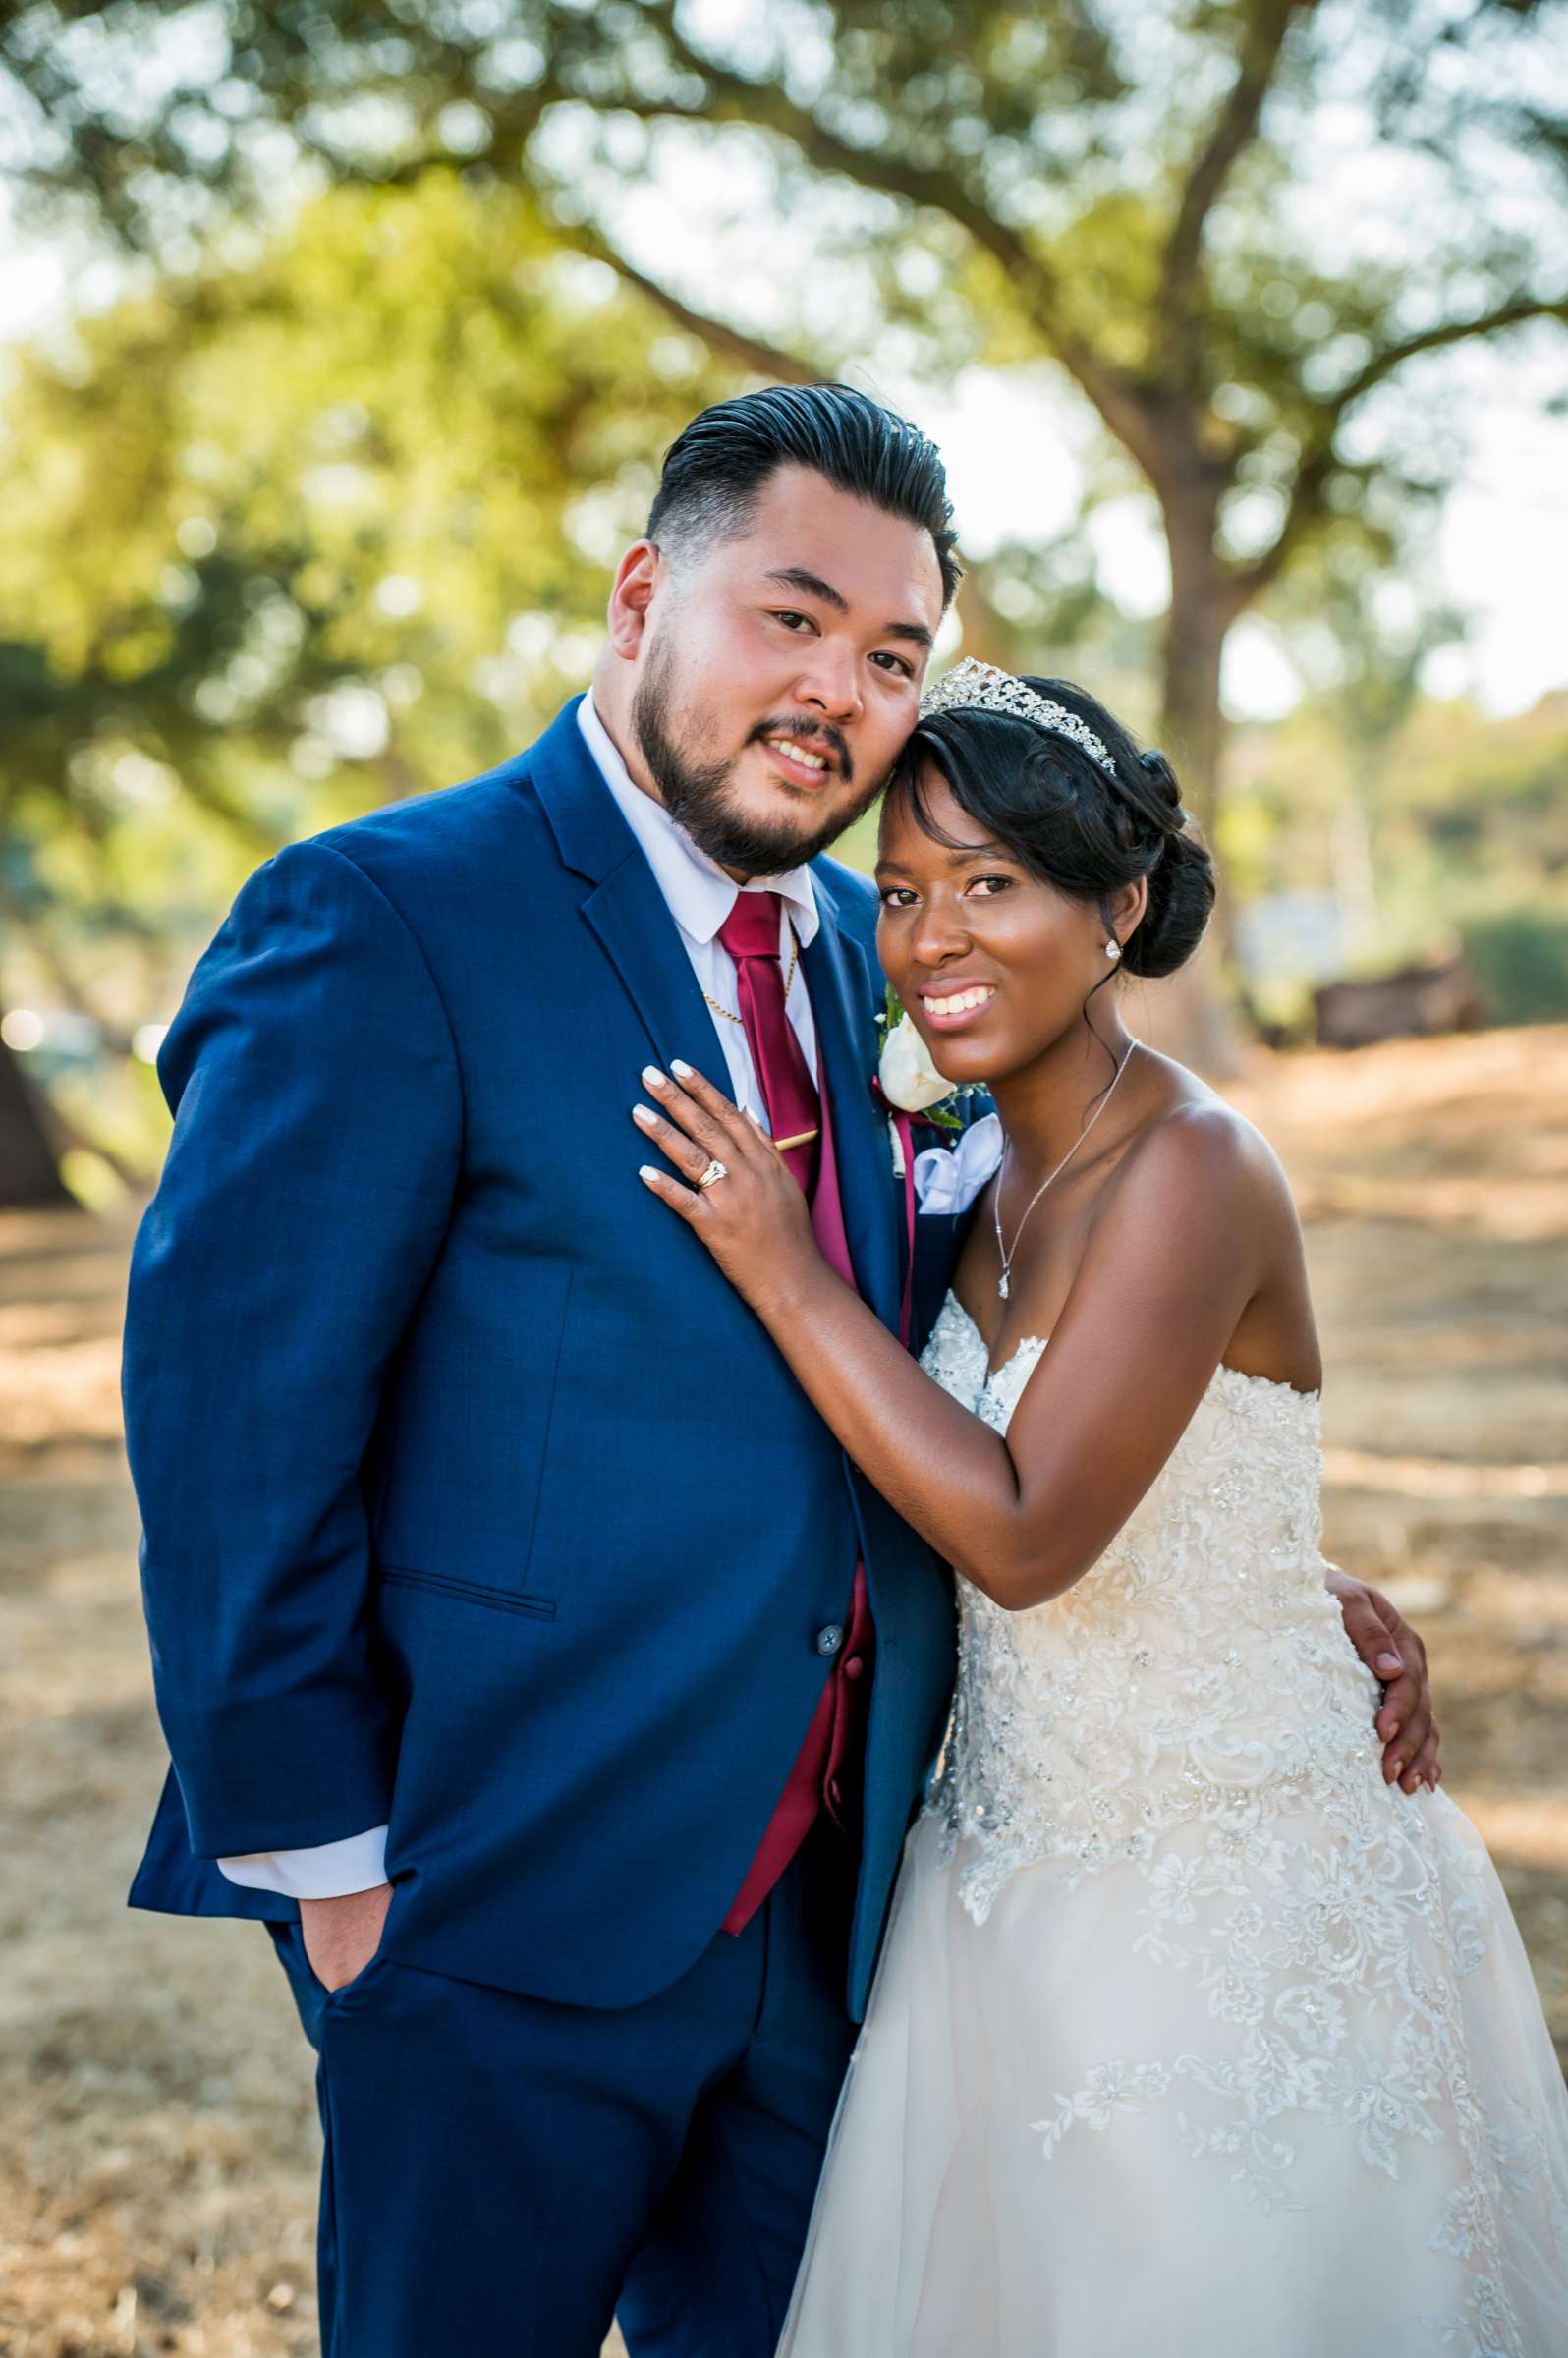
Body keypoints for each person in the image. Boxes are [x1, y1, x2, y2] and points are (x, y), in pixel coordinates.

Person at [123, 387, 1438, 2358]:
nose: (840, 689)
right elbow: (239, 1429)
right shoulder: (389, 918)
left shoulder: (881, 947)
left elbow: (969, 1351)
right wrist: (334, 1881)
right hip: (505, 1909)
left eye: (894, 655)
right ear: (646, 593)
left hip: (854, 1932)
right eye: (793, 618)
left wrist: (1231, 1579)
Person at [634, 656, 1568, 2357]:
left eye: (992, 884)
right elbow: (1132, 1457)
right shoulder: (973, 1168)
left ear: (1118, 903)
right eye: (903, 894)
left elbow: (1023, 1527)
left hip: (1229, 1880)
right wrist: (1298, 1564)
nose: (933, 941)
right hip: (995, 1872)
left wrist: (782, 1267)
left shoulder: (1198, 1167)